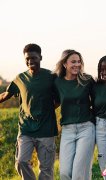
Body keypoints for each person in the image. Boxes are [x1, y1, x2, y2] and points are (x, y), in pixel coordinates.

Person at [0, 43, 58, 180]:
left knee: (46, 169)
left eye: (34, 58)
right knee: (21, 162)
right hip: (26, 129)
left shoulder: (51, 77)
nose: (30, 61)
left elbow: (60, 99)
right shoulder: (20, 78)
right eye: (27, 58)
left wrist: (48, 110)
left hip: (46, 130)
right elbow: (5, 95)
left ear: (40, 58)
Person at [54, 49, 96, 180]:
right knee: (65, 173)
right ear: (65, 64)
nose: (77, 64)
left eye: (79, 61)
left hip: (86, 128)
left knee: (79, 174)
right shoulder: (57, 82)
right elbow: (54, 102)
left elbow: (98, 101)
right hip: (67, 130)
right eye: (73, 62)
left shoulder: (87, 80)